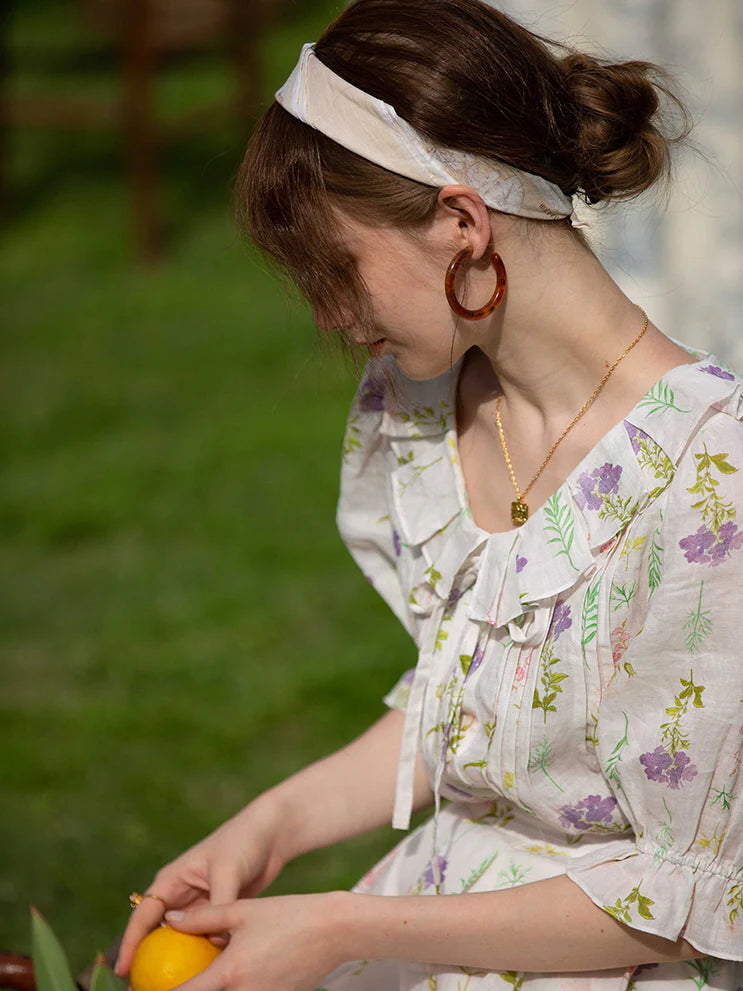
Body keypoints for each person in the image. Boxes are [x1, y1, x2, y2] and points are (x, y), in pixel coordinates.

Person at [115, 0, 743, 987]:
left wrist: (339, 929)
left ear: (459, 220)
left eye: (335, 269)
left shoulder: (708, 482)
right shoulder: (423, 404)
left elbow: (680, 897)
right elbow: (467, 716)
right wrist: (270, 823)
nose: (327, 316)